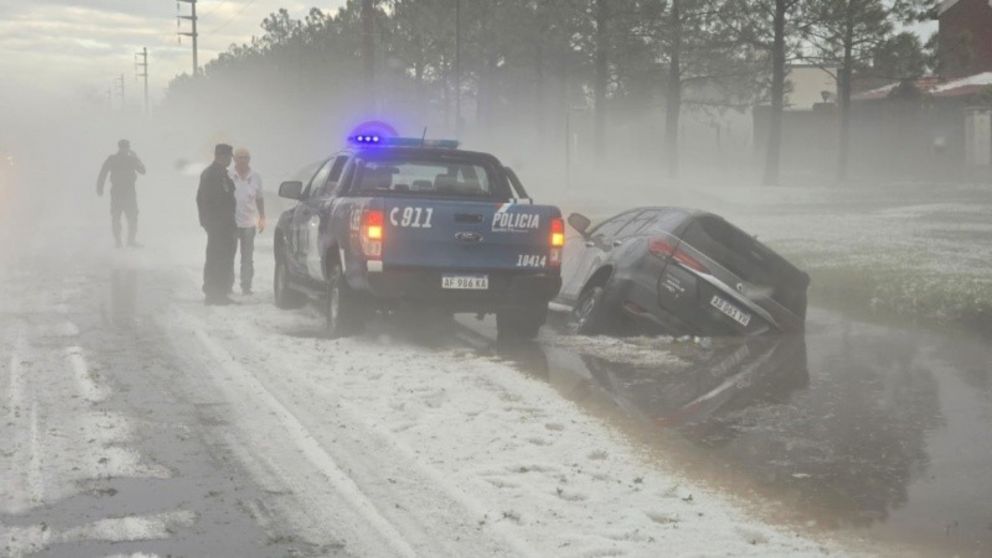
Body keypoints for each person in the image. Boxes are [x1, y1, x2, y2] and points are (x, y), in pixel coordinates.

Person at [197, 144, 237, 306]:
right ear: (221, 156)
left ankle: (221, 291)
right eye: (229, 156)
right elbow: (203, 199)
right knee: (216, 258)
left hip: (225, 223)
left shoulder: (222, 174)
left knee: (225, 258)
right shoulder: (211, 174)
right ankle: (213, 293)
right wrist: (208, 222)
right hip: (217, 224)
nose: (230, 160)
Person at [96, 139, 146, 248]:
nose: (125, 149)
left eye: (126, 147)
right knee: (116, 217)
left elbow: (143, 171)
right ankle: (119, 242)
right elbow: (103, 173)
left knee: (132, 218)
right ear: (120, 148)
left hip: (128, 193)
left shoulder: (130, 159)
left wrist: (136, 158)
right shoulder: (114, 159)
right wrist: (99, 187)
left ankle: (130, 241)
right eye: (124, 147)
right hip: (118, 193)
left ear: (127, 148)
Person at [230, 148, 265, 295]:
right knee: (229, 256)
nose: (243, 160)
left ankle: (246, 286)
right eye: (240, 157)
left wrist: (262, 216)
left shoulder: (256, 177)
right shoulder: (229, 175)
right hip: (231, 223)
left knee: (247, 257)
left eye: (246, 157)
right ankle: (227, 285)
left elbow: (259, 198)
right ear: (235, 159)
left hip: (249, 224)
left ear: (249, 159)